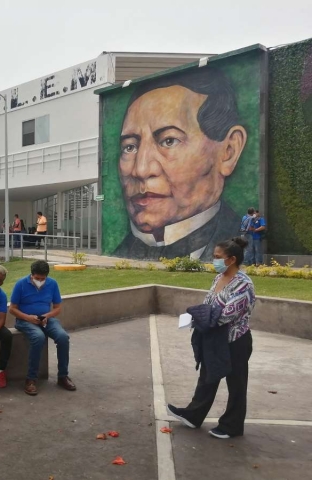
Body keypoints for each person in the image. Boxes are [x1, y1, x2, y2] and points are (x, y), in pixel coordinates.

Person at [113, 67, 248, 261]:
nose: (141, 170)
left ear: (229, 151)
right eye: (130, 147)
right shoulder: (118, 254)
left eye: (169, 141)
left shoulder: (243, 244)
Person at [167, 237, 255, 439]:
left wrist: (201, 315)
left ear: (231, 259)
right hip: (214, 339)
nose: (213, 260)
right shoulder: (219, 278)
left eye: (217, 257)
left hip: (236, 341)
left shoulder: (243, 286)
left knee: (236, 384)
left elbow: (224, 315)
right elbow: (207, 305)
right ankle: (193, 415)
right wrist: (199, 315)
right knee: (207, 377)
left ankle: (231, 426)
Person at [9, 260, 76, 395]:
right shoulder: (21, 284)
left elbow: (57, 308)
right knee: (38, 337)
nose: (40, 281)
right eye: (37, 278)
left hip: (46, 319)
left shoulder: (52, 284)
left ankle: (63, 376)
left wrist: (47, 315)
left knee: (63, 337)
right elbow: (12, 309)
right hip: (25, 320)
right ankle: (31, 379)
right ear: (31, 275)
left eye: (42, 279)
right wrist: (28, 317)